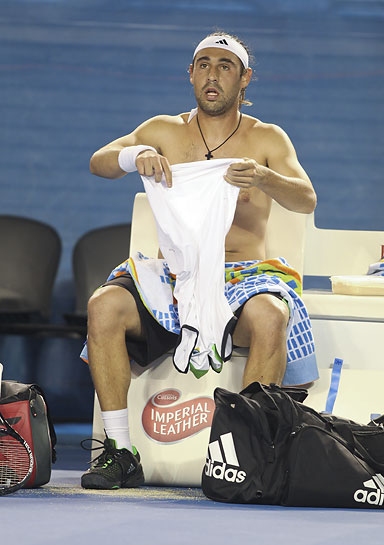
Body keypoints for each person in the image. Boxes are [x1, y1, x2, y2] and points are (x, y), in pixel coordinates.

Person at [80, 31, 318, 490]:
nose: (213, 75)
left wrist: (264, 178)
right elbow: (99, 161)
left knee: (271, 315)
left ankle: (247, 455)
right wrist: (135, 155)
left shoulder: (266, 138)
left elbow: (306, 198)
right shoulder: (163, 131)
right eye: (204, 65)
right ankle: (120, 451)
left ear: (244, 79)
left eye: (225, 66)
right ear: (191, 74)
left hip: (241, 277)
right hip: (175, 276)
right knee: (103, 305)